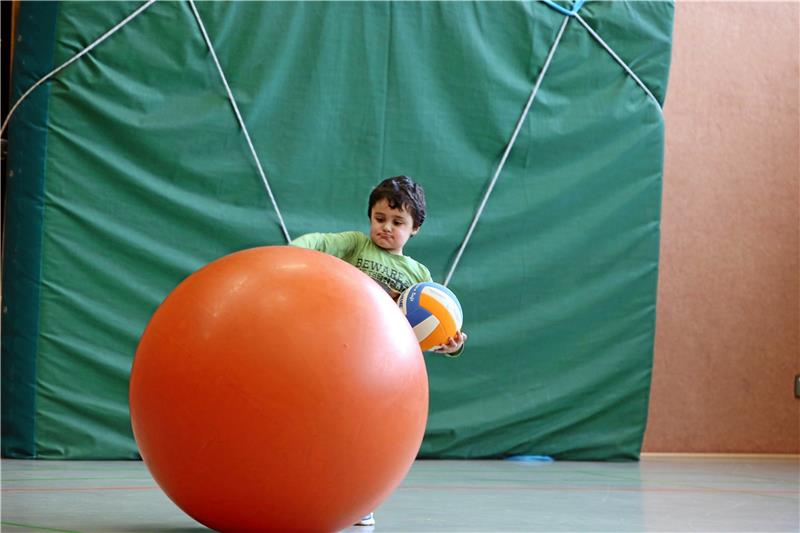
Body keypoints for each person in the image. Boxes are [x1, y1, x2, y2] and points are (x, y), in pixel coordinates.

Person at [290, 175, 467, 527]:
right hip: (338, 354)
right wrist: (292, 251)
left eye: (398, 222)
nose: (386, 228)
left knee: (364, 437)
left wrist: (449, 344)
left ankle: (360, 498)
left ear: (415, 228)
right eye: (379, 218)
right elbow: (320, 242)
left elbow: (425, 333)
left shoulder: (420, 276)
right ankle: (305, 488)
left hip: (378, 370)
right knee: (322, 426)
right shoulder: (356, 246)